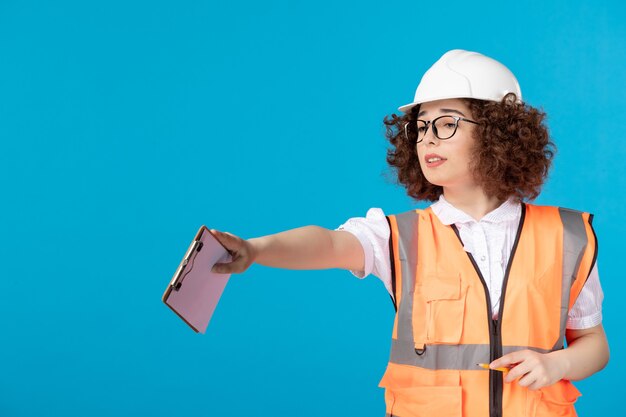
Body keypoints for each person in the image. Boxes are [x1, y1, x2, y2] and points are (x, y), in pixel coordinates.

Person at [208, 49, 609, 417]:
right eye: (420, 127)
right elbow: (328, 243)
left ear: (497, 132)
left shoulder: (567, 235)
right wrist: (255, 249)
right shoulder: (399, 236)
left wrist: (558, 364)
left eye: (447, 123)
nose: (428, 137)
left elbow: (593, 342)